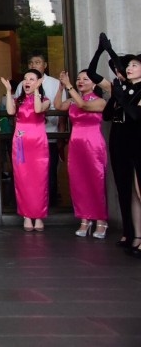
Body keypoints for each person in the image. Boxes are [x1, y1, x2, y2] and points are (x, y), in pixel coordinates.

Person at [90, 34, 141, 252]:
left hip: (137, 139)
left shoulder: (135, 90)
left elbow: (136, 115)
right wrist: (103, 49)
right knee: (125, 188)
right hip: (120, 137)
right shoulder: (122, 87)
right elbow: (108, 115)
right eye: (128, 65)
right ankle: (134, 235)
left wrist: (119, 97)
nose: (128, 68)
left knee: (138, 190)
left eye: (134, 65)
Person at [55, 69, 108, 238]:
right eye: (78, 79)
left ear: (94, 83)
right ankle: (85, 218)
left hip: (93, 143)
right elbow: (57, 106)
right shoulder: (72, 99)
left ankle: (101, 219)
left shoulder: (100, 101)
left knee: (96, 181)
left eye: (86, 79)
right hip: (76, 143)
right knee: (78, 181)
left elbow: (83, 105)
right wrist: (61, 87)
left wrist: (70, 86)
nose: (81, 81)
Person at [1, 69, 50, 232]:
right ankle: (27, 215)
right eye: (25, 78)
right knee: (23, 179)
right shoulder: (18, 100)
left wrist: (36, 91)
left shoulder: (45, 100)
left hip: (38, 144)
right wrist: (8, 92)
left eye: (32, 79)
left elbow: (37, 110)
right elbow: (10, 111)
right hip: (21, 142)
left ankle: (39, 216)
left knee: (39, 180)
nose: (27, 81)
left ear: (38, 82)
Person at [14, 53, 63, 207]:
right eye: (31, 62)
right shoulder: (21, 85)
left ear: (45, 65)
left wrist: (61, 135)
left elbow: (61, 111)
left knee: (48, 172)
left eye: (38, 62)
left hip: (49, 135)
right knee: (26, 172)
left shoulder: (54, 83)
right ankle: (28, 206)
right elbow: (15, 108)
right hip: (24, 138)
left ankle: (49, 204)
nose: (34, 65)